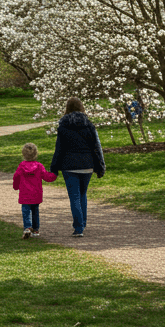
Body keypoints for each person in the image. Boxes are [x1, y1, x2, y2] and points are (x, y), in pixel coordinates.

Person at [49, 96, 105, 237]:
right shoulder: (89, 125)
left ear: (67, 108)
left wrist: (54, 168)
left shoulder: (63, 126)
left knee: (74, 197)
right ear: (81, 107)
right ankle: (82, 223)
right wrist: (100, 166)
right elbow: (96, 147)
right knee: (82, 194)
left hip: (69, 166)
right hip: (87, 164)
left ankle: (79, 227)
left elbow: (59, 149)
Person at [13, 142, 58, 239]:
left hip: (25, 194)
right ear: (36, 154)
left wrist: (16, 186)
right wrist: (54, 174)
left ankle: (27, 227)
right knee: (35, 212)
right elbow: (47, 177)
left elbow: (16, 177)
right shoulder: (39, 166)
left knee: (26, 212)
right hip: (36, 194)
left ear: (23, 154)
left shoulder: (21, 166)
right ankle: (36, 229)